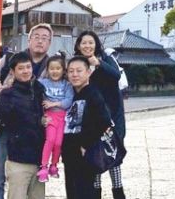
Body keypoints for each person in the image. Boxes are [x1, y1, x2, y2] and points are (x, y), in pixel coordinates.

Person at [0, 23, 53, 199]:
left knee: (29, 182)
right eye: (36, 36)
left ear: (50, 43)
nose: (40, 41)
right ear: (28, 39)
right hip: (4, 126)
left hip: (31, 134)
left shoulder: (53, 65)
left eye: (45, 38)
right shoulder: (10, 60)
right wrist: (2, 91)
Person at [74, 30, 126, 199]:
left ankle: (118, 193)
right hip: (90, 118)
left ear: (96, 44)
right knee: (94, 156)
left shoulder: (106, 58)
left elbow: (116, 76)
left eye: (91, 42)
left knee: (113, 156)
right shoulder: (77, 62)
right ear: (78, 45)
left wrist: (98, 63)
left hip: (112, 116)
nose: (87, 46)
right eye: (84, 43)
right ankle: (95, 194)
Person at [62, 56, 112, 199]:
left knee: (84, 192)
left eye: (79, 71)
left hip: (85, 153)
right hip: (69, 152)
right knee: (72, 192)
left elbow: (104, 121)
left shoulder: (93, 94)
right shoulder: (71, 94)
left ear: (88, 72)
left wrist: (86, 144)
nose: (75, 74)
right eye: (71, 71)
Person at [37, 52, 74, 182]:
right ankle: (43, 167)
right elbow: (33, 88)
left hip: (62, 117)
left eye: (58, 68)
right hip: (50, 116)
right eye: (52, 68)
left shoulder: (67, 84)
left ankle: (54, 165)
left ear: (63, 70)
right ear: (47, 69)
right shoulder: (42, 82)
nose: (54, 71)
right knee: (50, 140)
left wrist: (54, 103)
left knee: (59, 143)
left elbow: (69, 101)